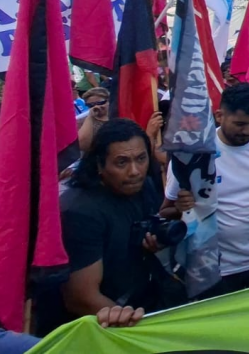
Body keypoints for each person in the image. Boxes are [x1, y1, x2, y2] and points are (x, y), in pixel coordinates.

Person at [160, 83, 249, 297]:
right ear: (219, 116)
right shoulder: (193, 155)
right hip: (220, 271)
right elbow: (165, 211)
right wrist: (184, 208)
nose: (248, 131)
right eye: (240, 124)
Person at [57, 119, 184, 331]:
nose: (135, 171)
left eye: (141, 158)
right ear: (99, 164)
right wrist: (140, 331)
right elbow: (81, 298)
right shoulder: (80, 211)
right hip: (104, 327)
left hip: (142, 301)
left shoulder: (144, 186)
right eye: (122, 162)